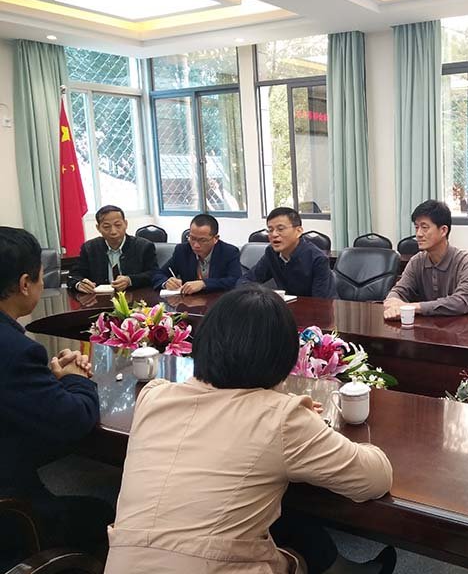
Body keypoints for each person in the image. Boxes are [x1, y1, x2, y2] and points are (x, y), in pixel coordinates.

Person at [104, 286, 395, 574]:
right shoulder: (281, 418)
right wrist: (306, 424)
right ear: (282, 357)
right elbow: (375, 479)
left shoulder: (153, 397)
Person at [0, 227, 113, 555]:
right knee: (103, 511)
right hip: (13, 514)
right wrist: (76, 378)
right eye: (40, 277)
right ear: (25, 283)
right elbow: (73, 420)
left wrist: (47, 379)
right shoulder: (15, 351)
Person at [384, 200, 468, 320]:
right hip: (430, 328)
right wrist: (392, 301)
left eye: (424, 227)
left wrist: (413, 307)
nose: (418, 234)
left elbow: (462, 302)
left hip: (466, 328)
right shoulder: (416, 261)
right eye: (416, 227)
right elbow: (399, 291)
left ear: (443, 230)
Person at [238, 207, 336, 298]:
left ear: (298, 231)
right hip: (285, 307)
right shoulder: (271, 253)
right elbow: (246, 280)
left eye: (280, 229)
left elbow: (321, 301)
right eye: (270, 230)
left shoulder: (317, 259)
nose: (274, 234)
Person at [67, 205, 158, 293]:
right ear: (98, 228)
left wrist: (130, 280)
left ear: (126, 224)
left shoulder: (143, 246)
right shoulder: (89, 248)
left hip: (135, 297)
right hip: (99, 299)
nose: (113, 231)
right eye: (106, 227)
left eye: (118, 225)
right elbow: (73, 276)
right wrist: (79, 284)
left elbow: (154, 273)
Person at [152, 213, 241, 294]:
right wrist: (166, 283)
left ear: (215, 238)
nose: (196, 245)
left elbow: (235, 280)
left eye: (203, 240)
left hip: (218, 301)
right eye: (192, 238)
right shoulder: (182, 250)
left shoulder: (229, 252)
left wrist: (204, 284)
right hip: (188, 302)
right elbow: (158, 274)